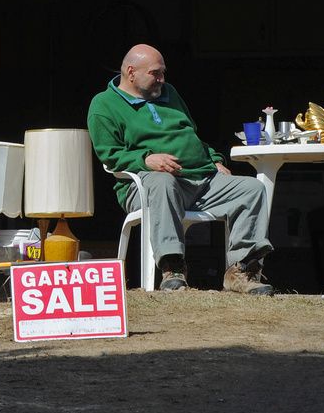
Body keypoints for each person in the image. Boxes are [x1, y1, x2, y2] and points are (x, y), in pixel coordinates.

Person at [87, 44, 274, 294]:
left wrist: (214, 159)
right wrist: (146, 160)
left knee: (252, 188)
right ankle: (172, 268)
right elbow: (109, 154)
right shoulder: (104, 104)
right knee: (162, 181)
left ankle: (241, 272)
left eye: (163, 72)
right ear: (131, 72)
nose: (162, 79)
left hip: (202, 179)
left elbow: (190, 135)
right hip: (145, 187)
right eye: (155, 73)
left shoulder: (169, 93)